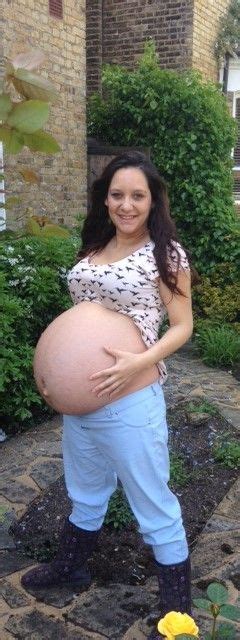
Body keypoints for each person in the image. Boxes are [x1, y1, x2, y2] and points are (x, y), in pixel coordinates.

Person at [21, 151, 193, 639]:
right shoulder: (95, 245)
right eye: (117, 194)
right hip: (83, 410)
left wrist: (140, 360)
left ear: (152, 200)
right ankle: (71, 567)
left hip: (130, 401)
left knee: (152, 499)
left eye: (137, 195)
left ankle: (176, 610)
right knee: (85, 489)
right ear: (105, 199)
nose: (126, 204)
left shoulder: (167, 254)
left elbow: (182, 326)